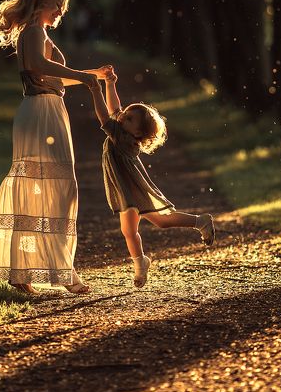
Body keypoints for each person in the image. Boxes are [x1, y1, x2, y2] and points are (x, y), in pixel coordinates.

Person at [0, 0, 110, 295]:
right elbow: (39, 66)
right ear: (40, 2)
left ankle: (29, 270)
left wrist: (92, 76)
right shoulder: (34, 32)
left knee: (45, 188)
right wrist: (82, 75)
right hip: (41, 113)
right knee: (54, 189)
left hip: (45, 109)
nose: (60, 11)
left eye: (62, 6)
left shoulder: (36, 32)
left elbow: (54, 78)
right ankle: (58, 271)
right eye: (56, 4)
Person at [86, 67, 215, 288]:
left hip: (130, 188)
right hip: (127, 186)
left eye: (129, 118)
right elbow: (115, 109)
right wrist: (110, 83)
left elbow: (104, 115)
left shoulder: (122, 137)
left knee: (133, 229)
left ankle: (141, 263)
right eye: (126, 114)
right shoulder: (123, 129)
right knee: (155, 223)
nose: (122, 117)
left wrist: (94, 89)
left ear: (137, 133)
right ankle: (197, 223)